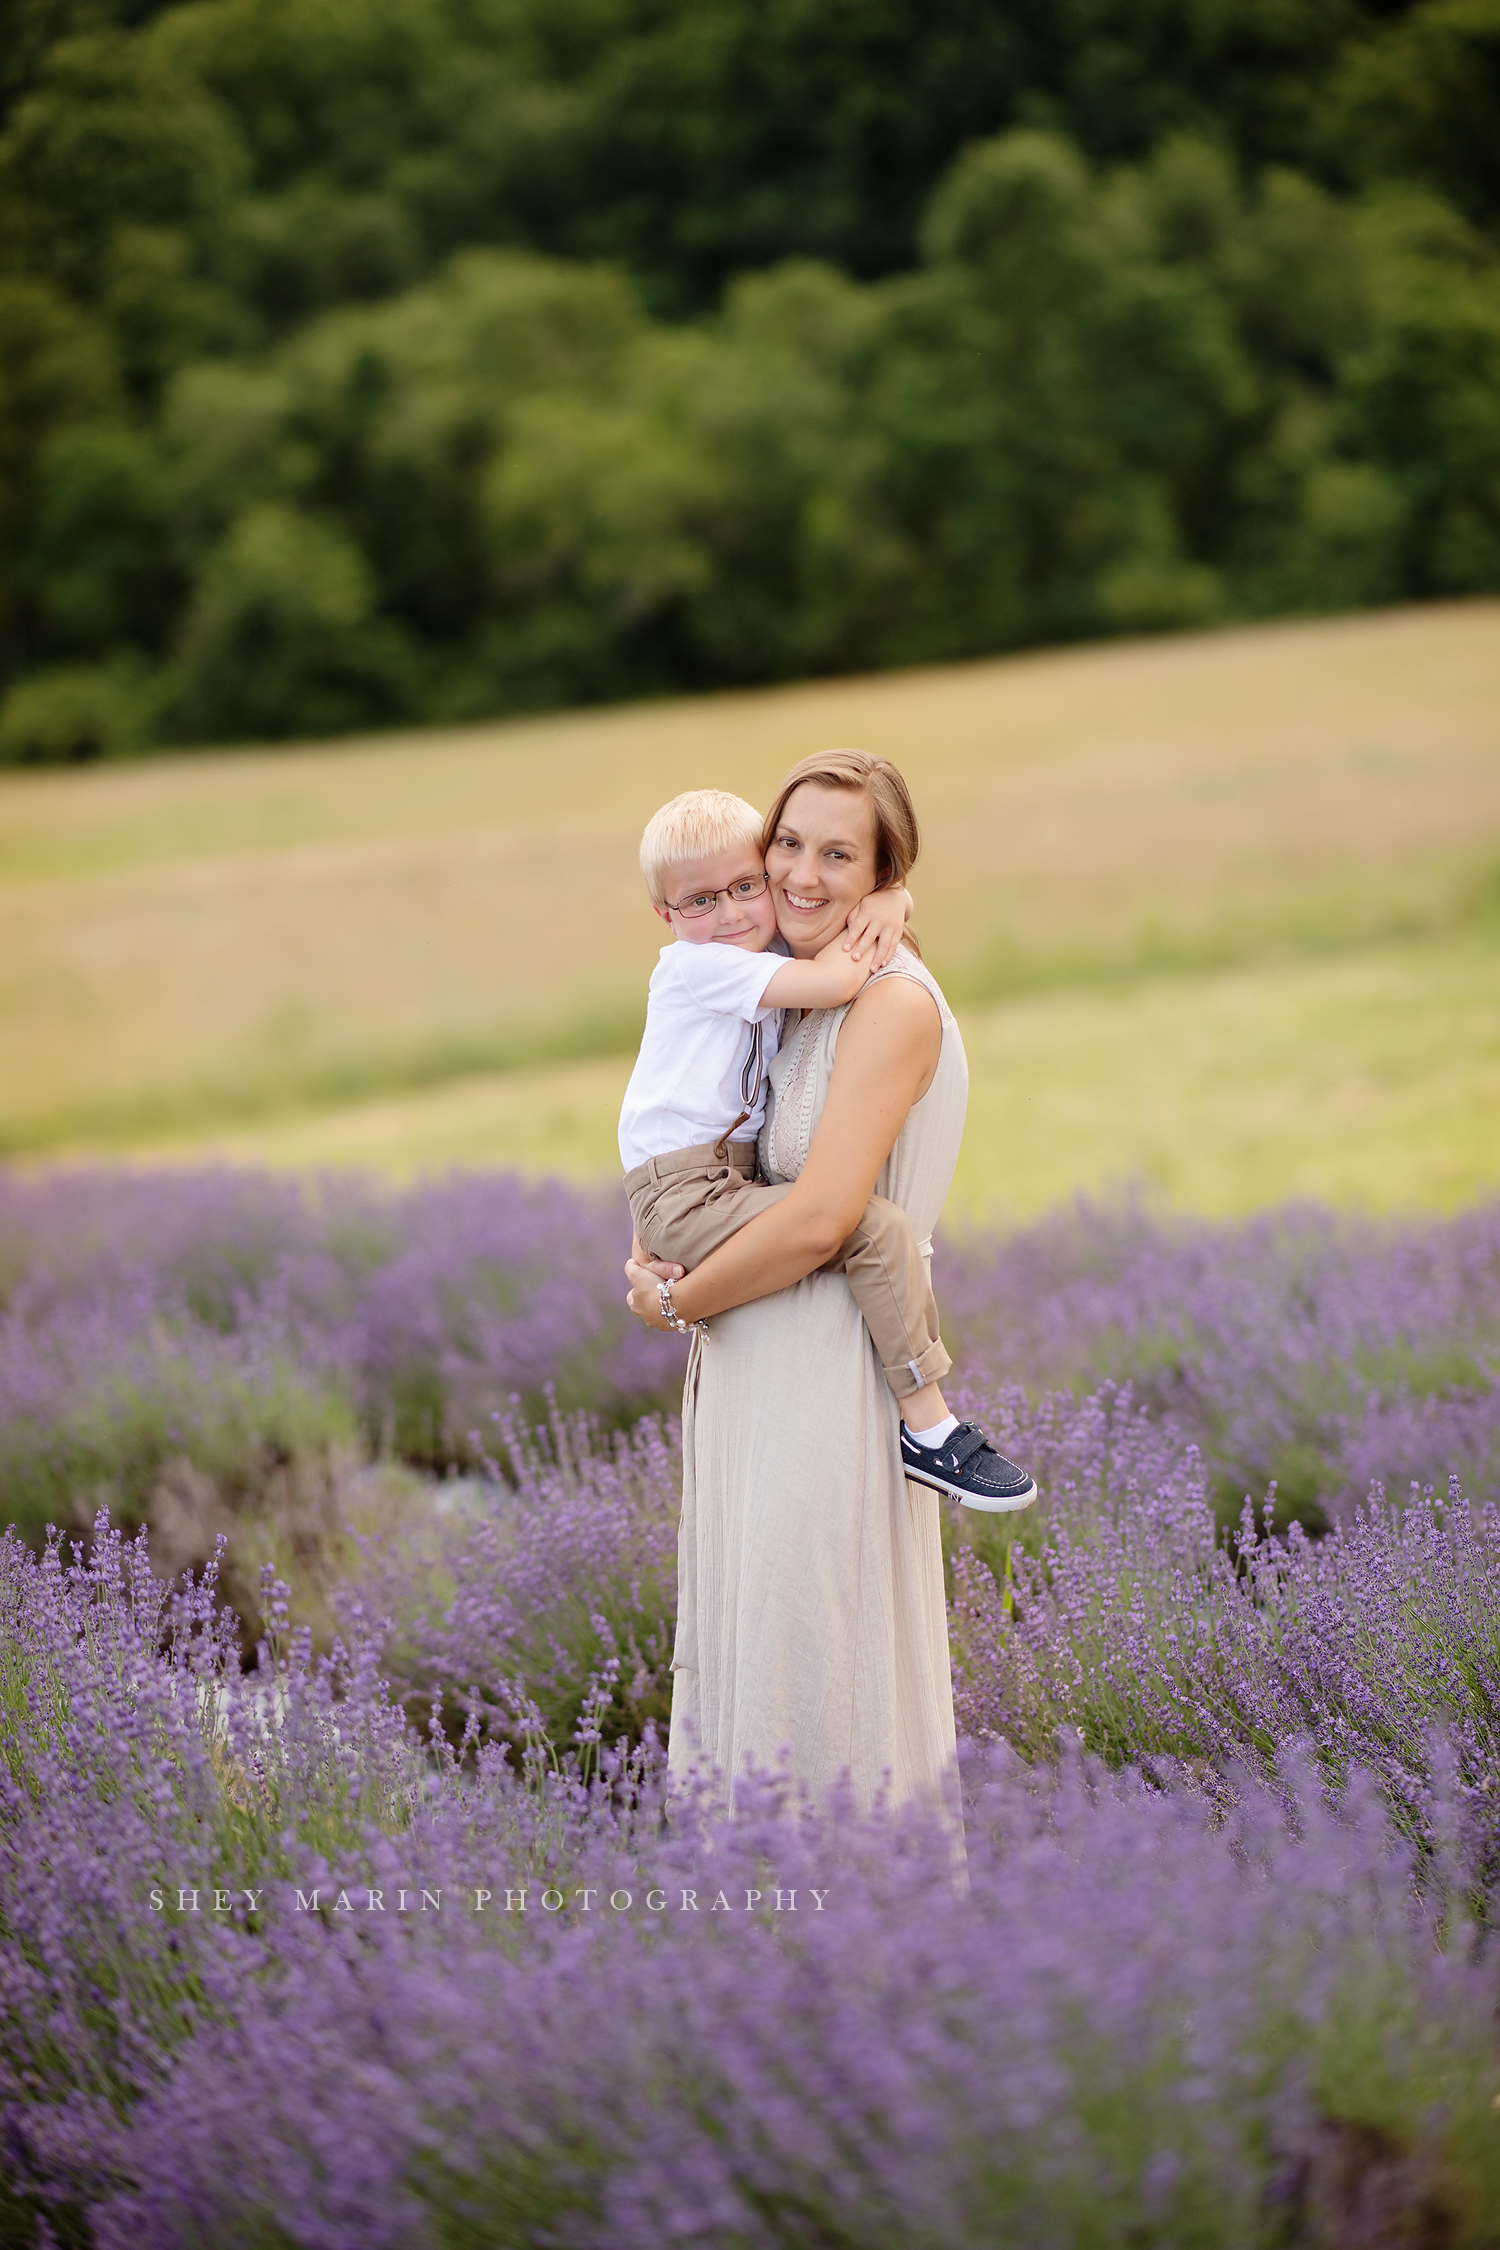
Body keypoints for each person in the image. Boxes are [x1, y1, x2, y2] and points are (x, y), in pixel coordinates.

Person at [624, 750, 1033, 1811]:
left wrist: (670, 1300)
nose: (802, 875)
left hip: (829, 1384)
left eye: (840, 855)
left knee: (820, 1681)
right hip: (759, 1380)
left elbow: (819, 1220)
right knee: (755, 1667)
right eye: (789, 846)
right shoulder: (784, 993)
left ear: (883, 875)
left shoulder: (888, 1003)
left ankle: (847, 1931)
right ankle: (755, 1952)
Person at [620, 789, 1034, 1502]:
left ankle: (926, 1426)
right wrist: (886, 902)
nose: (730, 914)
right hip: (690, 1186)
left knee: (859, 1225)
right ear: (665, 916)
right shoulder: (706, 963)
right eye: (699, 902)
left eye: (745, 887)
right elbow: (842, 974)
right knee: (874, 1228)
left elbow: (816, 930)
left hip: (710, 1180)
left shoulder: (754, 948)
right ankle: (929, 1428)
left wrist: (891, 895)